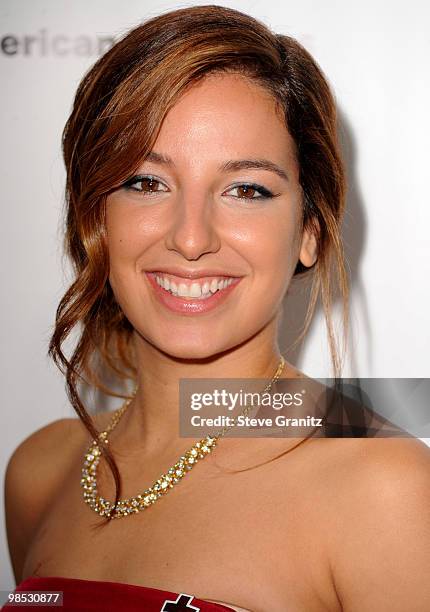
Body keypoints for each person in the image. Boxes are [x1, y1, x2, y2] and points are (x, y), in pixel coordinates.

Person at [3, 4, 430, 611]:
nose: (191, 237)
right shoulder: (38, 472)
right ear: (95, 213)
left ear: (308, 229)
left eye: (247, 189)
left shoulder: (385, 490)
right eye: (145, 182)